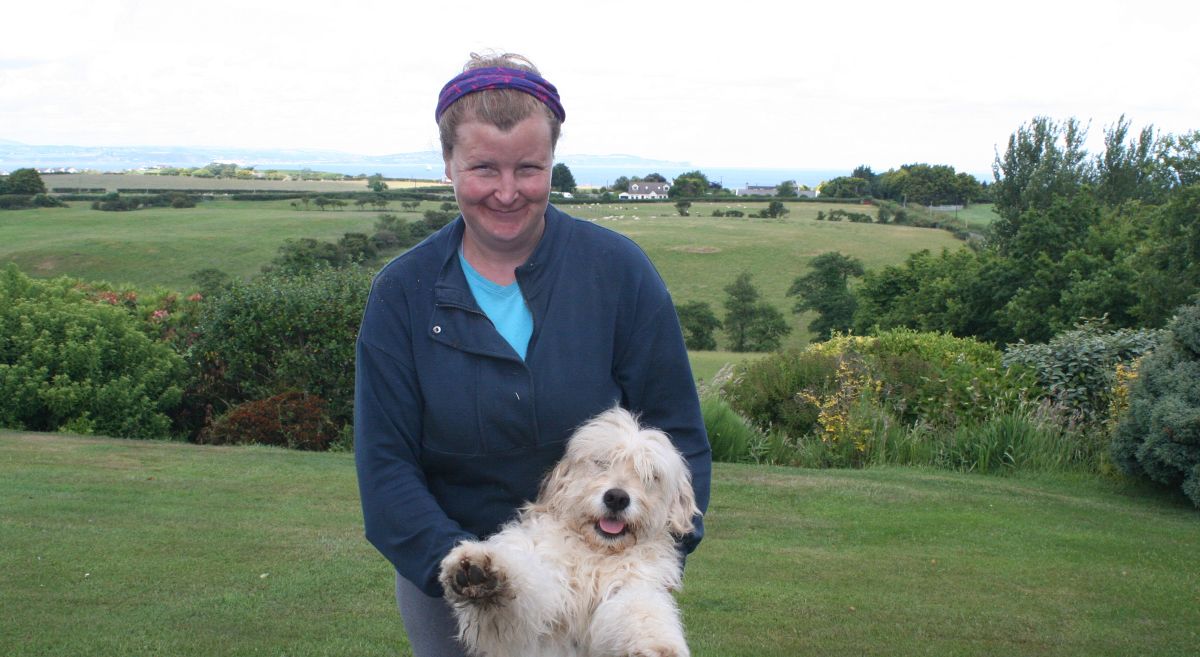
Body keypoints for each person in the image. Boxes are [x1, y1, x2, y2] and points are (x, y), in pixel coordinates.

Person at [354, 52, 711, 657]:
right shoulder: (403, 294)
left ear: (553, 163)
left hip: (611, 567)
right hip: (453, 581)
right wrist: (464, 573)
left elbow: (678, 431)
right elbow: (386, 466)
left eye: (529, 168)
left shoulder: (618, 272)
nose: (506, 192)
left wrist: (641, 564)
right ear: (447, 164)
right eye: (482, 168)